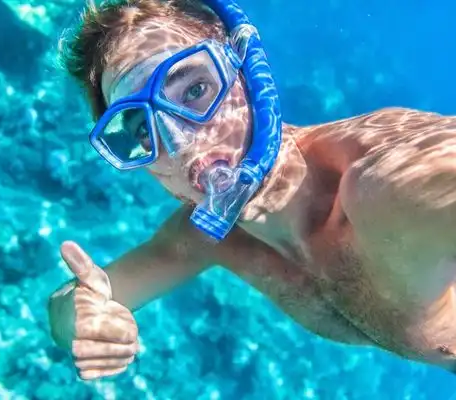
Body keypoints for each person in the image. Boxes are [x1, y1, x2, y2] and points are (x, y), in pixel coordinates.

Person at [48, 0, 456, 380]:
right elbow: (83, 300)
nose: (177, 141)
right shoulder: (210, 236)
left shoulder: (382, 188)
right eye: (143, 128)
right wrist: (81, 318)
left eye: (193, 90)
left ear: (247, 72)